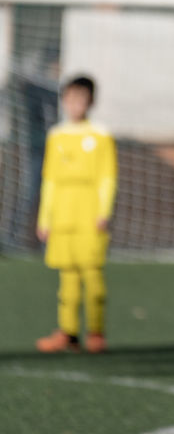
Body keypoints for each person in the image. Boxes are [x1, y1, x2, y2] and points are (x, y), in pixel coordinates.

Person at [35, 75, 117, 354]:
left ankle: (96, 332)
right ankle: (67, 332)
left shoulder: (100, 135)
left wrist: (103, 211)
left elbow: (107, 177)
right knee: (67, 278)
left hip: (89, 212)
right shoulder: (56, 135)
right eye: (70, 99)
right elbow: (50, 180)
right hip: (62, 214)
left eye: (80, 99)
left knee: (92, 276)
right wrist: (44, 218)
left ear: (91, 102)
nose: (75, 105)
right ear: (64, 101)